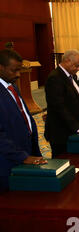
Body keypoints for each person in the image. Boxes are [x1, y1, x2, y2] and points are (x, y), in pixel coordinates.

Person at [0, 49, 46, 192]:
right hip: (7, 160)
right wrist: (22, 157)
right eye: (14, 70)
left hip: (26, 151)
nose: (18, 75)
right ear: (1, 67)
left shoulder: (11, 85)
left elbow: (23, 115)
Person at [45, 50, 79, 157]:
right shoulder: (55, 77)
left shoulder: (71, 76)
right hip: (61, 132)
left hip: (73, 128)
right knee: (63, 162)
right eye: (77, 66)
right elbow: (59, 107)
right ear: (67, 61)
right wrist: (78, 128)